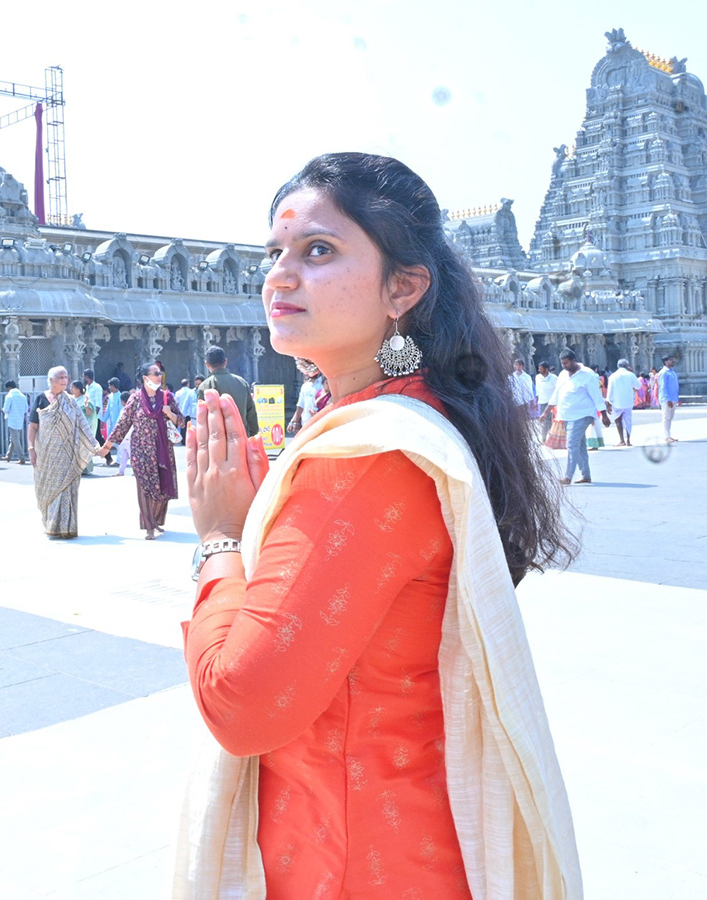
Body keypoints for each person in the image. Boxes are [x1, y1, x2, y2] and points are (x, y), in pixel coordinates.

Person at [177, 153, 581, 900]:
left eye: (317, 251)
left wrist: (221, 540)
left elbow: (240, 702)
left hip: (351, 862)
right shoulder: (395, 421)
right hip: (401, 843)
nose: (279, 276)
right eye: (275, 253)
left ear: (404, 287)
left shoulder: (369, 456)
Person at [97, 361, 185, 539]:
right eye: (155, 374)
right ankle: (149, 526)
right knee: (145, 487)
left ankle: (157, 520)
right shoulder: (135, 398)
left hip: (163, 450)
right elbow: (123, 423)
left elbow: (181, 421)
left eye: (159, 373)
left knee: (162, 488)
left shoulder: (167, 397)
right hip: (141, 450)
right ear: (145, 378)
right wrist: (107, 446)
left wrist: (170, 414)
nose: (159, 377)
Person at [28, 366, 97, 538]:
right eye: (60, 377)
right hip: (45, 454)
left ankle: (66, 527)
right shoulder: (40, 399)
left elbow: (83, 425)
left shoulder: (71, 400)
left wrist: (96, 446)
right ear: (51, 380)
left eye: (66, 377)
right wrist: (31, 448)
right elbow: (33, 426)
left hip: (68, 455)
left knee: (66, 490)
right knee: (46, 490)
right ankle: (50, 523)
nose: (64, 380)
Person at [553, 348, 609, 484]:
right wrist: (548, 410)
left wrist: (604, 415)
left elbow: (597, 396)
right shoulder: (563, 375)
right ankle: (586, 475)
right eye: (562, 364)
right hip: (566, 415)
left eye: (566, 363)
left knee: (572, 444)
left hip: (582, 415)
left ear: (573, 360)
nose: (564, 366)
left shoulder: (587, 375)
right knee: (580, 445)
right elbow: (557, 393)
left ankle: (568, 476)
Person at [197, 345, 259, 437]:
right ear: (225, 361)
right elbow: (251, 413)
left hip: (217, 441)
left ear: (207, 364)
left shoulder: (205, 386)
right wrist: (251, 434)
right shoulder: (242, 383)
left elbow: (202, 418)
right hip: (241, 437)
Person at [606, 359, 641, 446]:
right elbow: (638, 386)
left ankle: (621, 440)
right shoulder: (630, 375)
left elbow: (610, 390)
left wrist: (608, 401)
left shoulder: (613, 376)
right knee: (628, 420)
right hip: (628, 401)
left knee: (618, 420)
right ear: (627, 366)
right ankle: (628, 440)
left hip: (617, 401)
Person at [286, 362, 323, 437]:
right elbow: (300, 406)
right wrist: (293, 421)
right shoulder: (305, 386)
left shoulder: (323, 384)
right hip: (306, 424)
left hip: (319, 423)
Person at [69, 380, 98, 475]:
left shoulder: (85, 399)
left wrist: (85, 403)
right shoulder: (72, 399)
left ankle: (85, 468)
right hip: (74, 426)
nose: (71, 389)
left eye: (72, 387)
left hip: (84, 428)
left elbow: (89, 413)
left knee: (84, 447)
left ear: (78, 389)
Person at [1, 380, 30, 465]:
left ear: (9, 388)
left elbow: (6, 409)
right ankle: (8, 456)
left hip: (12, 420)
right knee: (13, 439)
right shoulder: (23, 396)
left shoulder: (9, 396)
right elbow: (25, 409)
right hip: (20, 420)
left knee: (15, 440)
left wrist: (2, 410)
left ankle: (22, 458)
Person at [82, 369, 105, 461]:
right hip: (89, 415)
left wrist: (95, 417)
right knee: (94, 436)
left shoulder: (97, 387)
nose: (83, 378)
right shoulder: (87, 387)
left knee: (97, 436)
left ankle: (107, 455)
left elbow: (98, 404)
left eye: (83, 376)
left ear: (87, 377)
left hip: (95, 416)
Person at [657, 355, 680, 443]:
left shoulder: (672, 372)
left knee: (670, 417)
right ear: (666, 362)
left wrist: (677, 398)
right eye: (671, 360)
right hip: (667, 399)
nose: (673, 361)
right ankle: (666, 436)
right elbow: (663, 387)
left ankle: (669, 434)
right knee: (666, 417)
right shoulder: (664, 372)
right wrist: (667, 399)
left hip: (673, 397)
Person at [102, 377, 123, 466]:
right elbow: (107, 410)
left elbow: (121, 411)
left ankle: (119, 461)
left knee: (119, 443)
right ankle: (108, 459)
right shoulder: (110, 396)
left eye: (110, 386)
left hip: (118, 424)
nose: (109, 387)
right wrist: (103, 420)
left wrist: (120, 424)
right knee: (109, 441)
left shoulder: (120, 396)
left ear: (114, 386)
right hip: (111, 424)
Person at [175, 377, 198, 441]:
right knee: (190, 427)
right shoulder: (191, 391)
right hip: (191, 413)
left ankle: (184, 440)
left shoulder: (178, 393)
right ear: (188, 384)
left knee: (183, 427)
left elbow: (176, 402)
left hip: (182, 412)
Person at [535, 360, 557, 427]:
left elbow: (557, 390)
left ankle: (552, 436)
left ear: (546, 369)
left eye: (541, 369)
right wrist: (537, 400)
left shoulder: (554, 378)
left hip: (552, 403)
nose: (539, 370)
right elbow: (537, 389)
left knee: (553, 420)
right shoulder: (538, 377)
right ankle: (544, 437)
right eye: (539, 368)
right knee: (544, 420)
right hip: (542, 402)